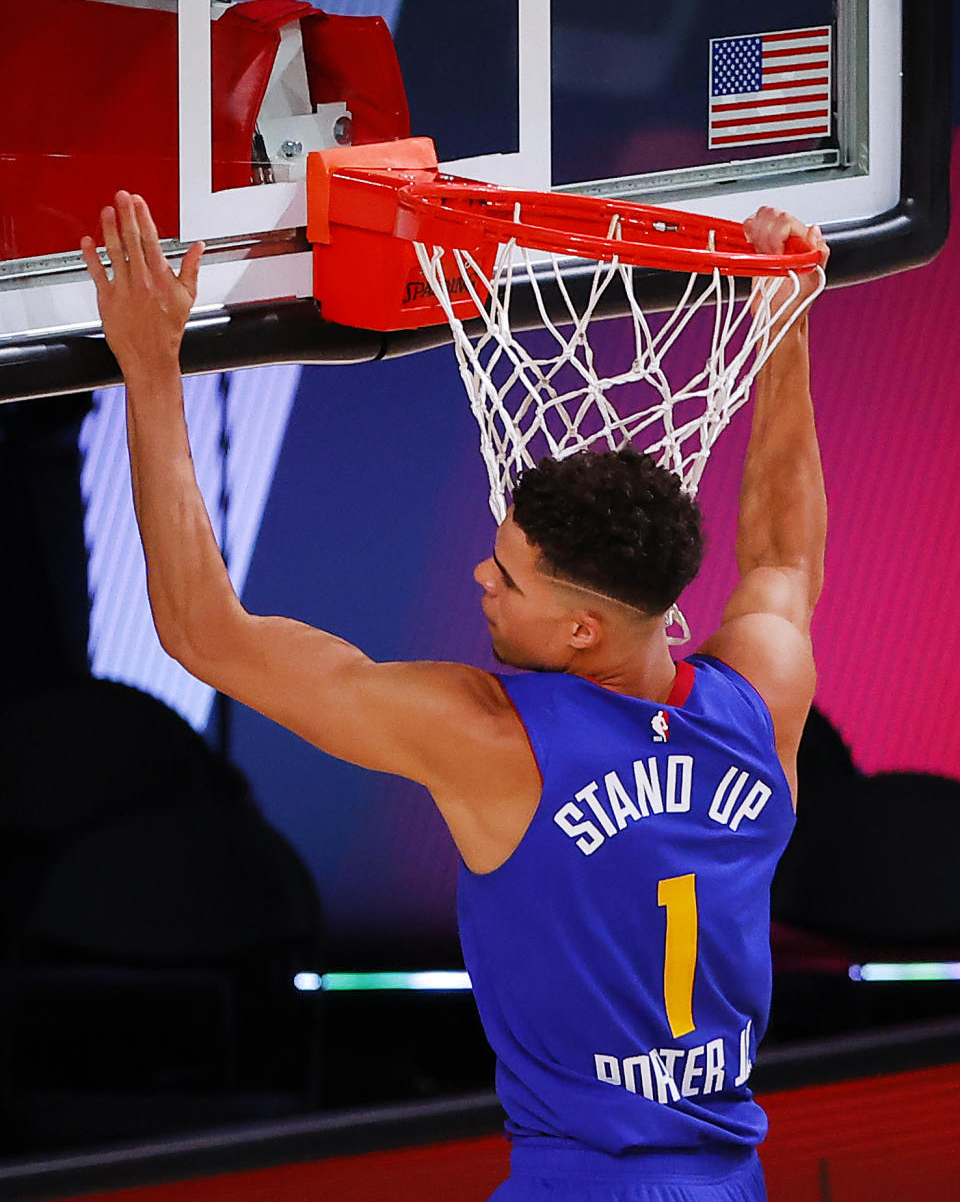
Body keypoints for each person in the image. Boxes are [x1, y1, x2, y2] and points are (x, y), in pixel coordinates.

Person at [82, 193, 828, 1202]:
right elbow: (784, 551)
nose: (482, 577)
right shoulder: (760, 694)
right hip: (731, 1180)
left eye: (508, 576)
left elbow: (202, 633)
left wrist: (150, 365)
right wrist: (783, 320)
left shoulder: (496, 741)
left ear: (582, 632)